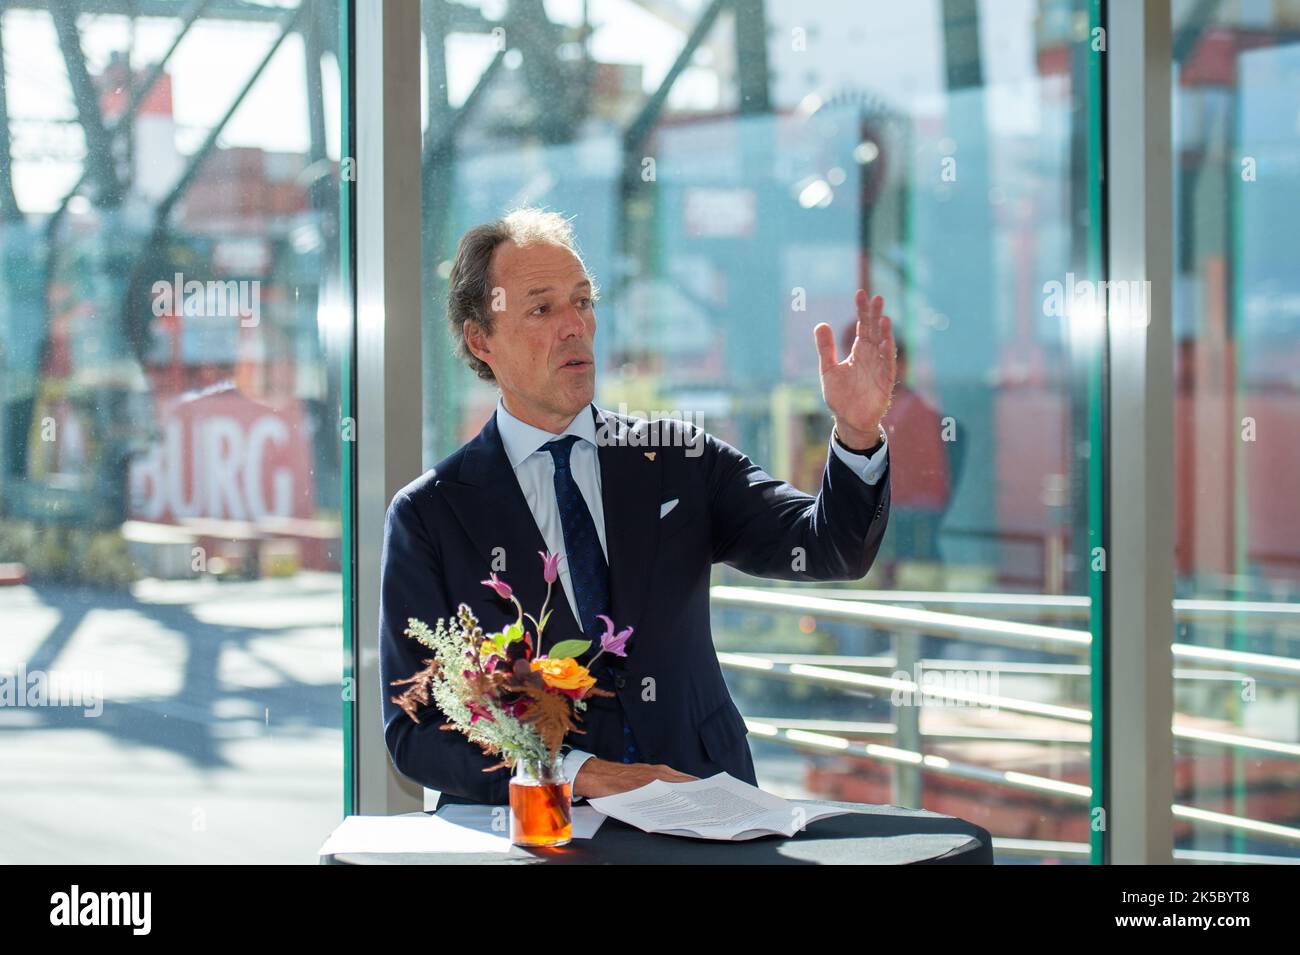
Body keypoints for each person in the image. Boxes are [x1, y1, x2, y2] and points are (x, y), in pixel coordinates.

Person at [379, 208, 896, 806]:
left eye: (583, 301)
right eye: (542, 308)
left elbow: (829, 548)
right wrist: (577, 773)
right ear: (480, 339)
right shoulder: (430, 514)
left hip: (703, 810)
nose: (575, 325)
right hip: (543, 834)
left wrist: (858, 435)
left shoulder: (678, 457)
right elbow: (415, 732)